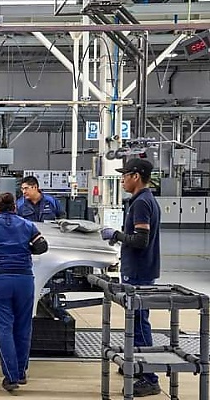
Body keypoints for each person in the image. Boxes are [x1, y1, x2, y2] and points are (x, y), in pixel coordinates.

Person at [0, 192, 49, 393]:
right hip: (24, 280)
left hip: (0, 280)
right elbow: (42, 246)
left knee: (4, 328)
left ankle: (11, 377)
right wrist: (25, 249)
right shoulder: (27, 225)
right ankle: (22, 372)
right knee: (23, 326)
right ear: (15, 208)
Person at [100, 159, 161, 397]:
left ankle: (150, 378)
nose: (122, 179)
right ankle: (139, 365)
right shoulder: (143, 200)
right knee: (135, 323)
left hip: (138, 272)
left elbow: (141, 240)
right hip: (139, 269)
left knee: (140, 324)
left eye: (125, 175)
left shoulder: (142, 203)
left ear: (136, 176)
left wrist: (116, 234)